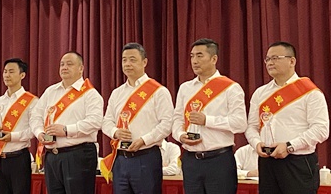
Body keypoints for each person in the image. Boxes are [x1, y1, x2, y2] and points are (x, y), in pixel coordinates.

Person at [245, 41, 329, 193]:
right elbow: (251, 126)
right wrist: (256, 143)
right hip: (267, 162)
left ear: (292, 61)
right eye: (267, 59)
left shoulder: (310, 92)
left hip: (298, 162)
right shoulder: (260, 93)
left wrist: (289, 146)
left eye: (275, 58)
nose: (270, 63)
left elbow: (321, 129)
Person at [172, 38, 247, 194]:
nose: (194, 61)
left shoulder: (231, 88)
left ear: (214, 59)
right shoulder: (185, 88)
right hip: (191, 160)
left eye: (200, 56)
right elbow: (177, 119)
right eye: (192, 56)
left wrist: (207, 120)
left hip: (218, 160)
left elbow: (240, 123)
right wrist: (180, 135)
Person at [101, 42, 174, 194]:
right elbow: (106, 122)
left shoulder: (158, 91)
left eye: (132, 59)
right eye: (124, 60)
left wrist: (144, 140)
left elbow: (167, 124)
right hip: (121, 159)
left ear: (144, 62)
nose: (127, 64)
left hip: (146, 157)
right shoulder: (117, 93)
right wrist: (115, 132)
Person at [30, 51, 104, 194]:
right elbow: (35, 116)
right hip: (52, 155)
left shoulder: (90, 94)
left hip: (78, 155)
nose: (64, 67)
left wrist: (66, 130)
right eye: (62, 64)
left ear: (81, 68)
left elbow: (95, 122)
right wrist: (39, 133)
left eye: (69, 64)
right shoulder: (51, 91)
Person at [0, 58, 38, 194]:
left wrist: (12, 137)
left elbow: (33, 130)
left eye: (11, 72)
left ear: (22, 75)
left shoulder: (31, 101)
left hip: (19, 158)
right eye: (5, 72)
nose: (7, 75)